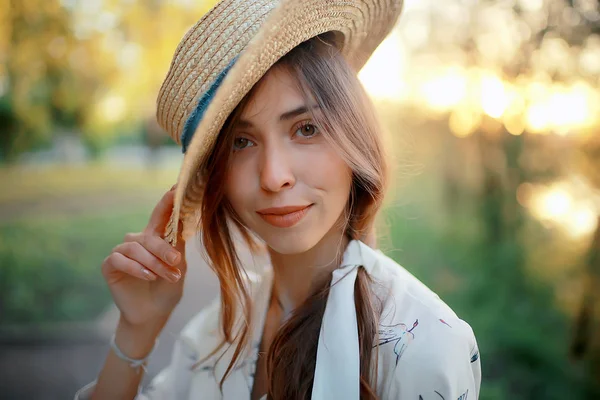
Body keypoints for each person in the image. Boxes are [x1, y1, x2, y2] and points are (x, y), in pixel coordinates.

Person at [76, 0, 481, 399]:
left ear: (353, 138)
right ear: (218, 177)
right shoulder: (216, 332)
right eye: (241, 141)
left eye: (306, 129)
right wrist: (137, 330)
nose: (273, 176)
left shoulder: (423, 346)